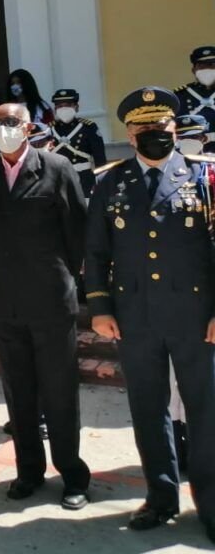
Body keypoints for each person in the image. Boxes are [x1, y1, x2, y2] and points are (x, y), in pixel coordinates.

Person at [85, 86, 215, 541]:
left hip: (196, 317)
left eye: (160, 126)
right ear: (129, 132)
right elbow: (96, 252)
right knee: (147, 408)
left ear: (174, 127)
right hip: (135, 316)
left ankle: (211, 504)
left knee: (206, 410)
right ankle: (161, 497)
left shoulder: (204, 178)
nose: (153, 133)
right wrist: (99, 307)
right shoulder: (110, 182)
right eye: (142, 127)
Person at [0, 103, 91, 511]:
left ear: (28, 127)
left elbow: (78, 230)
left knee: (59, 390)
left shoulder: (56, 167)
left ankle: (72, 474)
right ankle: (28, 472)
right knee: (18, 390)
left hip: (50, 298)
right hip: (5, 299)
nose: (3, 129)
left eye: (11, 123)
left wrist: (73, 281)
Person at [50, 89, 107, 198]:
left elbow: (100, 157)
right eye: (59, 106)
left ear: (76, 107)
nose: (63, 109)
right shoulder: (50, 129)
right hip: (58, 180)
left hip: (84, 179)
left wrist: (102, 182)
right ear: (55, 109)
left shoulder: (88, 127)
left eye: (68, 105)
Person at [174, 45, 215, 142]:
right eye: (201, 66)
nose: (207, 69)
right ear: (193, 70)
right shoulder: (181, 95)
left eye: (212, 65)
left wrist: (208, 137)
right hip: (191, 151)